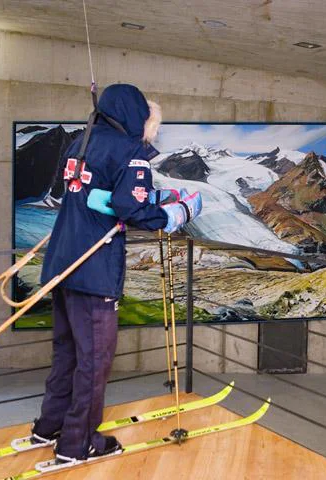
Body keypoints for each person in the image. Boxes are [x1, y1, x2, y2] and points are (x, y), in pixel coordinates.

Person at [31, 84, 200, 463]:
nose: (151, 132)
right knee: (94, 362)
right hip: (94, 268)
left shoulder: (83, 141)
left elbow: (99, 191)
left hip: (63, 263)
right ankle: (78, 444)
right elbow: (130, 207)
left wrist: (147, 196)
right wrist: (176, 214)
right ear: (137, 117)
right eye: (151, 123)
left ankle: (49, 427)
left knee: (67, 353)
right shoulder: (129, 150)